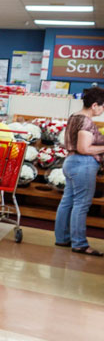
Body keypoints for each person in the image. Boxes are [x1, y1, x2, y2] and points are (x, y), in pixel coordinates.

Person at [55, 86, 104, 255]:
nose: (102, 110)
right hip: (83, 164)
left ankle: (62, 238)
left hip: (71, 162)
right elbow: (84, 148)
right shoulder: (86, 121)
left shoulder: (74, 116)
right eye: (102, 106)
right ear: (95, 105)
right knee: (81, 204)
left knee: (68, 200)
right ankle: (79, 243)